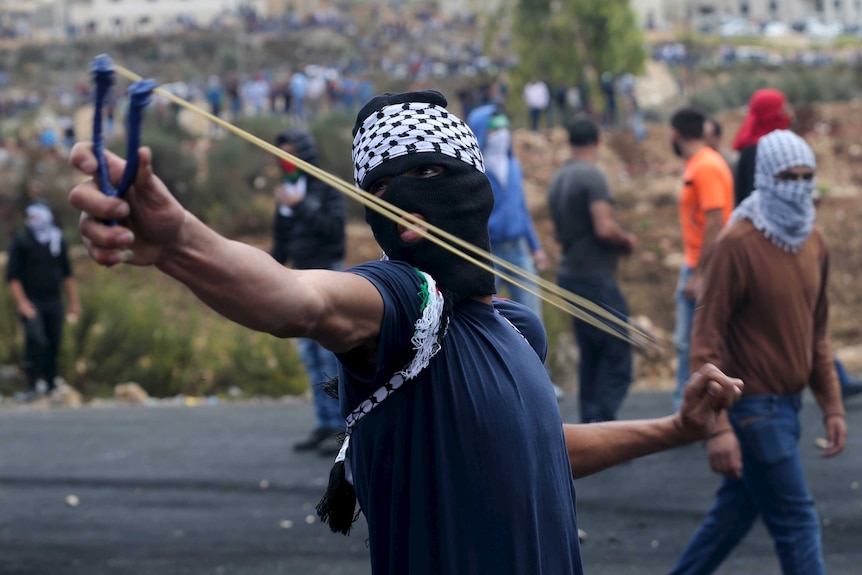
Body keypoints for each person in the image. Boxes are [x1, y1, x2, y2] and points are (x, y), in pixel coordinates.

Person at [69, 89, 743, 575]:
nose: (416, 195)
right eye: (389, 185)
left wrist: (675, 428)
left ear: (475, 183)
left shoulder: (514, 326)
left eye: (432, 173)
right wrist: (179, 241)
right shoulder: (408, 302)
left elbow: (537, 448)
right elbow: (298, 299)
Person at [670, 129, 847, 575]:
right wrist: (720, 428)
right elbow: (705, 343)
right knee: (799, 523)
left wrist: (832, 406)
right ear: (767, 177)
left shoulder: (814, 242)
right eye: (790, 175)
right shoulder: (737, 245)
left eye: (808, 176)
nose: (800, 185)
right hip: (752, 411)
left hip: (789, 409)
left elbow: (817, 332)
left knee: (730, 521)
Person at [548, 116, 636, 423]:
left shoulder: (559, 178)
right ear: (598, 142)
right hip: (594, 276)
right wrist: (626, 240)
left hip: (569, 274)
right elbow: (604, 228)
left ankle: (591, 424)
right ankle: (605, 422)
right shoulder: (593, 177)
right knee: (617, 350)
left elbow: (557, 233)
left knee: (591, 354)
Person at [269, 128, 346, 456]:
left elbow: (334, 231)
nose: (287, 160)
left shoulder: (325, 186)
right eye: (281, 154)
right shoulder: (289, 190)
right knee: (310, 356)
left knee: (331, 353)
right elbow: (282, 243)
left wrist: (300, 207)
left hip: (326, 275)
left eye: (291, 152)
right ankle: (325, 423)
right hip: (297, 278)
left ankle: (343, 426)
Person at [670, 108, 734, 412]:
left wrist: (699, 273)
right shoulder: (700, 163)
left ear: (676, 134)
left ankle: (690, 410)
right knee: (690, 341)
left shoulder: (705, 166)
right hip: (697, 263)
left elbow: (715, 220)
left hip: (700, 265)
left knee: (692, 342)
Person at [466, 103, 548, 322]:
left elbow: (522, 209)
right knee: (485, 318)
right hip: (489, 253)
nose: (501, 133)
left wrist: (536, 247)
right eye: (494, 127)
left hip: (518, 249)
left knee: (532, 315)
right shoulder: (474, 173)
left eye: (504, 127)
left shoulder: (514, 166)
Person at [6, 202, 81, 397]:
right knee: (36, 340)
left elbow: (67, 273)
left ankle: (50, 384)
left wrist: (74, 302)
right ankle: (32, 384)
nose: (32, 222)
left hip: (54, 300)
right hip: (32, 301)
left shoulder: (57, 240)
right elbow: (12, 276)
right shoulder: (21, 240)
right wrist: (22, 303)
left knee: (53, 342)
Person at [731, 88, 792, 207]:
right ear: (769, 116)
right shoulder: (757, 152)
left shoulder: (755, 149)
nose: (789, 116)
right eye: (783, 111)